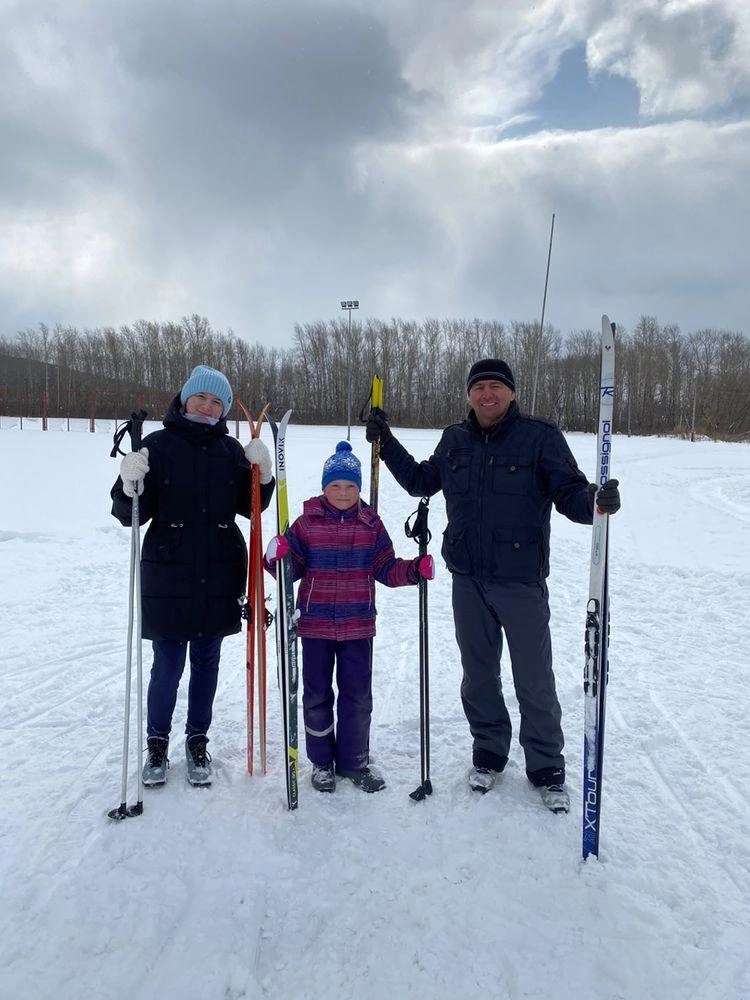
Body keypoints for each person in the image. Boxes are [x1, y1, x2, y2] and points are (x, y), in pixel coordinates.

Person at [366, 359, 621, 812]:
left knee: (534, 678)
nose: (488, 395)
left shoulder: (540, 438)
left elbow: (569, 494)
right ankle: (488, 752)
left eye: (496, 387)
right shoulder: (455, 439)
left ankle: (546, 767)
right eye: (479, 387)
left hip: (520, 582)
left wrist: (594, 503)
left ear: (512, 393)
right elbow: (421, 481)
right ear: (469, 395)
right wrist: (385, 443)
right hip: (467, 579)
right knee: (478, 675)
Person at [111, 365, 275, 787]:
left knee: (207, 663)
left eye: (217, 402)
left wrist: (264, 476)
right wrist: (128, 482)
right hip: (168, 573)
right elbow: (129, 513)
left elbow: (251, 507)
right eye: (201, 398)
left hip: (220, 572)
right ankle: (157, 742)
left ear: (222, 410)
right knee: (167, 664)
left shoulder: (229, 451)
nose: (208, 406)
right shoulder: (157, 445)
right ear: (185, 399)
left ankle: (197, 739)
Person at [264, 440, 434, 794]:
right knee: (316, 696)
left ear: (358, 488)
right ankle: (321, 761)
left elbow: (385, 567)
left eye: (350, 486)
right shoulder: (306, 523)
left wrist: (414, 570)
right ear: (324, 487)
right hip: (315, 626)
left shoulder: (371, 524)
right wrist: (275, 556)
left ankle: (354, 761)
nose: (343, 493)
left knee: (357, 697)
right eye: (335, 486)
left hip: (358, 627)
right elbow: (288, 571)